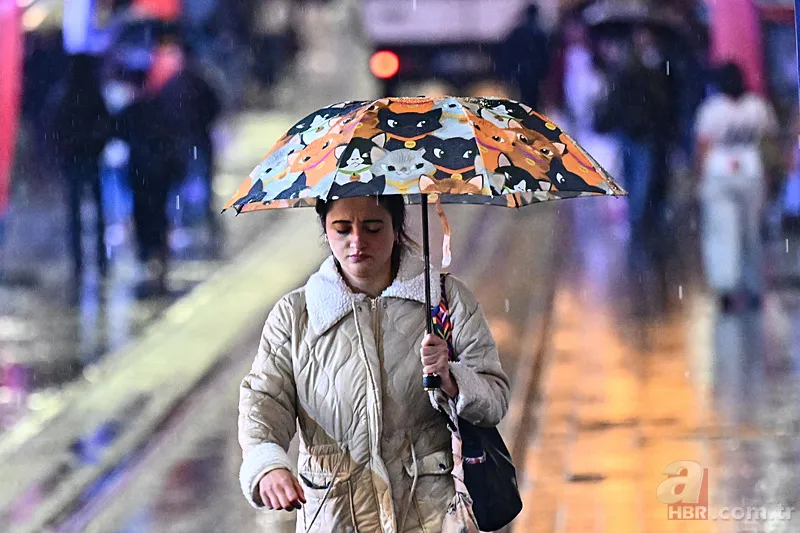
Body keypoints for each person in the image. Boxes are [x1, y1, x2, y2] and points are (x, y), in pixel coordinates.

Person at [237, 195, 510, 532]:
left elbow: (495, 398)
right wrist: (267, 464)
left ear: (396, 229)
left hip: (431, 515)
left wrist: (452, 379)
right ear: (325, 230)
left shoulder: (446, 301)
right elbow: (264, 400)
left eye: (372, 228)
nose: (357, 241)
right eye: (341, 229)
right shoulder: (294, 315)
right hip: (335, 514)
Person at [694, 62, 778, 312]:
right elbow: (768, 142)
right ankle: (753, 287)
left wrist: (698, 178)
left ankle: (726, 288)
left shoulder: (712, 110)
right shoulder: (757, 107)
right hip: (751, 172)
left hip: (719, 173)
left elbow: (703, 146)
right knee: (750, 232)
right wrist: (771, 176)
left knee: (723, 233)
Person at [50, 54, 113, 282]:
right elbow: (107, 123)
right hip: (89, 158)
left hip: (75, 160)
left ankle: (79, 262)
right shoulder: (91, 95)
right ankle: (99, 260)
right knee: (95, 211)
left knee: (76, 213)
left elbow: (55, 128)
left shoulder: (65, 94)